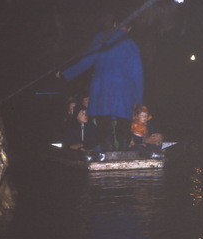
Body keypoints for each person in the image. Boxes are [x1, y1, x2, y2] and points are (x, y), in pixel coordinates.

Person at [57, 20, 143, 152]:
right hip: (124, 91)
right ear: (130, 29)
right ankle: (122, 155)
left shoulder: (102, 39)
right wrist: (137, 99)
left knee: (104, 122)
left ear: (115, 24)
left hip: (102, 88)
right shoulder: (132, 45)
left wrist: (66, 74)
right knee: (124, 123)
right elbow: (137, 73)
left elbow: (87, 60)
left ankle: (108, 154)